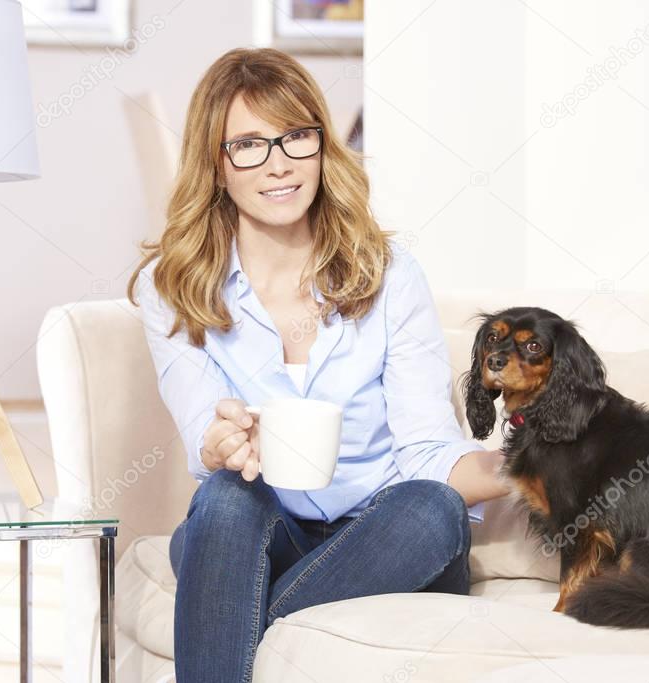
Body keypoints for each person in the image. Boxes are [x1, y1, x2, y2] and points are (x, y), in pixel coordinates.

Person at [127, 47, 510, 683]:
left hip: (383, 537)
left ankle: (232, 624)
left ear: (321, 149)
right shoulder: (170, 288)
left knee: (432, 508)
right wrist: (222, 442)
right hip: (266, 534)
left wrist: (529, 465)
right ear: (216, 167)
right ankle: (238, 611)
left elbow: (425, 455)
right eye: (248, 145)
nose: (277, 165)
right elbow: (204, 431)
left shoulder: (391, 277)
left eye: (295, 138)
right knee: (224, 501)